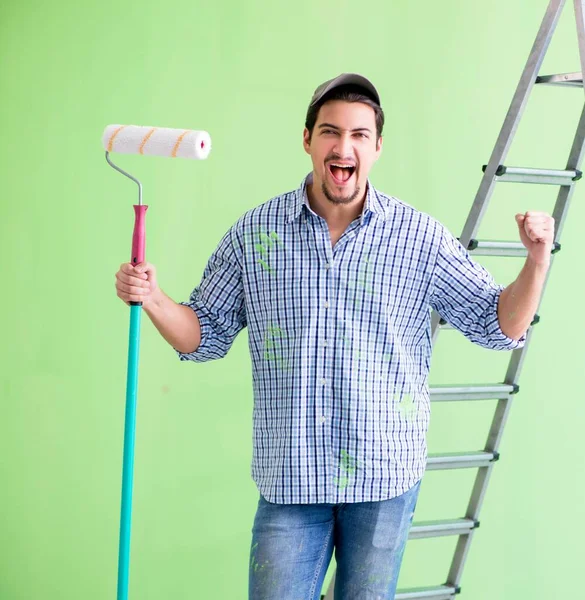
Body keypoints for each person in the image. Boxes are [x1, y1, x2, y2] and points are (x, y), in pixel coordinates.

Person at [114, 73, 554, 600]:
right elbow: (204, 334)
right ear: (308, 140)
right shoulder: (256, 235)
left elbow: (498, 323)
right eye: (330, 132)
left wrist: (536, 261)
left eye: (359, 135)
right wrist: (156, 298)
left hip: (384, 480)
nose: (343, 146)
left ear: (377, 147)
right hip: (290, 479)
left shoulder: (419, 238)